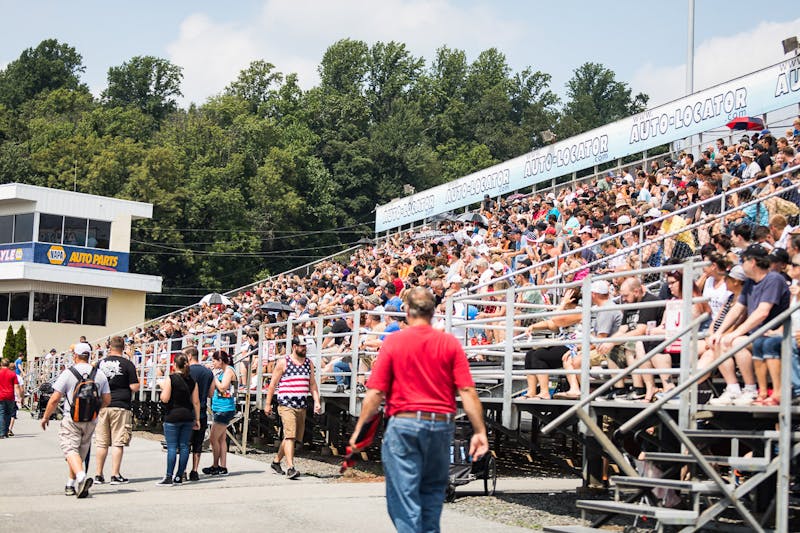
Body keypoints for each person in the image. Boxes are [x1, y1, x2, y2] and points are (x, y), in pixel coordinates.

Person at [350, 287, 489, 532]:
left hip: (404, 423)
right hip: (441, 425)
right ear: (434, 311)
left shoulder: (394, 342)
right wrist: (480, 431)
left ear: (406, 310)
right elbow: (467, 390)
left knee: (404, 500)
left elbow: (375, 393)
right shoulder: (449, 343)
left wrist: (360, 429)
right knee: (432, 497)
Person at [708, 244, 791, 405]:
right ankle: (733, 389)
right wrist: (720, 331)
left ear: (752, 262)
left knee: (737, 341)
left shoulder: (774, 279)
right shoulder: (750, 283)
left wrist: (735, 333)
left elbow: (762, 312)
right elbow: (738, 308)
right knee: (719, 340)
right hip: (757, 335)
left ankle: (751, 389)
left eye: (743, 260)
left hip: (775, 334)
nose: (741, 264)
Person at [41, 350, 111, 498]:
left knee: (70, 449)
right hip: (91, 419)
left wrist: (46, 417)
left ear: (75, 356)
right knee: (80, 453)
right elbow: (107, 399)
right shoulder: (99, 374)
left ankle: (81, 477)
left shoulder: (68, 373)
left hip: (71, 417)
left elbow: (54, 398)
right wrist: (95, 410)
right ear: (89, 356)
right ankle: (70, 485)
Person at [265, 336, 321, 479]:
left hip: (301, 404)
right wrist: (268, 403)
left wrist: (317, 401)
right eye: (302, 346)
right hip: (286, 404)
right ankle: (291, 467)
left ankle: (276, 461)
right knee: (290, 435)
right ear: (294, 346)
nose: (304, 349)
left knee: (293, 437)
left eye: (305, 347)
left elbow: (312, 384)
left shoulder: (309, 363)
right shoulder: (283, 362)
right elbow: (272, 385)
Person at [94, 336, 140, 485]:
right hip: (120, 404)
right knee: (117, 442)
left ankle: (98, 475)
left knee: (101, 442)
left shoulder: (100, 364)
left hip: (102, 405)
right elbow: (134, 387)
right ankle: (115, 474)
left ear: (110, 347)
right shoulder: (128, 364)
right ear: (123, 347)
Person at [156, 353, 200, 485]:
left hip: (173, 415)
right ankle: (179, 476)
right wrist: (197, 419)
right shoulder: (192, 381)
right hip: (187, 415)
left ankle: (169, 476)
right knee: (184, 446)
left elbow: (165, 398)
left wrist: (162, 386)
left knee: (172, 447)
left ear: (174, 365)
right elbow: (196, 402)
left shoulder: (171, 378)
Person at [204, 350, 237, 476]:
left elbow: (223, 387)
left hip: (225, 409)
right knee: (221, 439)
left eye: (214, 360)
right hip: (219, 407)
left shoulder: (229, 370)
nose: (213, 363)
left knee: (213, 438)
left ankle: (215, 465)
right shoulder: (224, 371)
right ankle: (223, 466)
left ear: (220, 361)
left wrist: (213, 375)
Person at [187, 346, 213, 481]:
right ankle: (194, 470)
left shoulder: (186, 371)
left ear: (190, 356)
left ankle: (182, 471)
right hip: (202, 411)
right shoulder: (208, 372)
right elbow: (211, 393)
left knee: (185, 443)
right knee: (198, 443)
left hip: (188, 411)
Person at [0, 358, 22, 438]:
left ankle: (1, 433)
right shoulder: (13, 374)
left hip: (0, 396)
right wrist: (19, 397)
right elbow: (16, 387)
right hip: (10, 396)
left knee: (1, 413)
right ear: (8, 364)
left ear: (1, 364)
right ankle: (6, 431)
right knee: (9, 414)